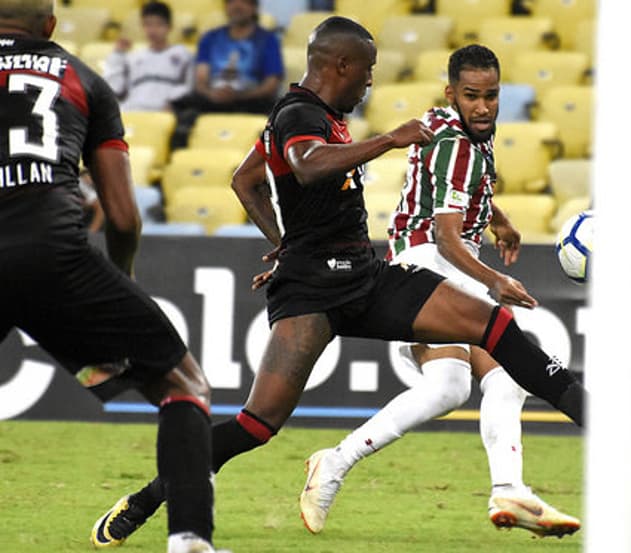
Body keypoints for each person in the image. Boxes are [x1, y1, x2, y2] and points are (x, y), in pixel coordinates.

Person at [91, 16, 585, 547]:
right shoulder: (299, 114)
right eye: (367, 70)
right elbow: (305, 165)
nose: (370, 81)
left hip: (365, 275)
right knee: (258, 423)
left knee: (495, 328)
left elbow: (246, 180)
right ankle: (145, 499)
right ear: (340, 65)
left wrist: (285, 241)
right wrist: (388, 140)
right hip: (310, 293)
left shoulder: (324, 116)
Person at [301, 44, 581, 538]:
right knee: (492, 373)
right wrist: (494, 280)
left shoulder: (450, 127)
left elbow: (453, 186)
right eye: (472, 96)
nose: (483, 106)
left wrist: (497, 219)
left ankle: (341, 462)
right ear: (452, 93)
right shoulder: (459, 146)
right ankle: (505, 486)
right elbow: (447, 237)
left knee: (470, 384)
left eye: (491, 96)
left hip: (425, 261)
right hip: (429, 263)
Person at [0, 1, 220, 552]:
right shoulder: (82, 79)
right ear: (51, 26)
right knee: (184, 386)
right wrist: (118, 285)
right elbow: (122, 216)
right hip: (53, 256)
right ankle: (189, 540)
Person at [170, 0, 283, 146]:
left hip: (250, 101)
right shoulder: (210, 38)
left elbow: (271, 84)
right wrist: (211, 94)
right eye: (231, 2)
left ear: (254, 7)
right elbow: (201, 80)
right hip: (213, 99)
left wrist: (238, 95)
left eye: (243, 2)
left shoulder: (268, 40)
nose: (237, 6)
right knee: (181, 110)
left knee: (279, 114)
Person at [103, 1, 193, 112]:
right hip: (132, 109)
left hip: (165, 110)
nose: (153, 30)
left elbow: (190, 87)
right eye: (148, 24)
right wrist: (118, 54)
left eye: (159, 24)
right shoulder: (133, 57)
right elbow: (114, 89)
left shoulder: (183, 54)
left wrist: (175, 103)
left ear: (169, 27)